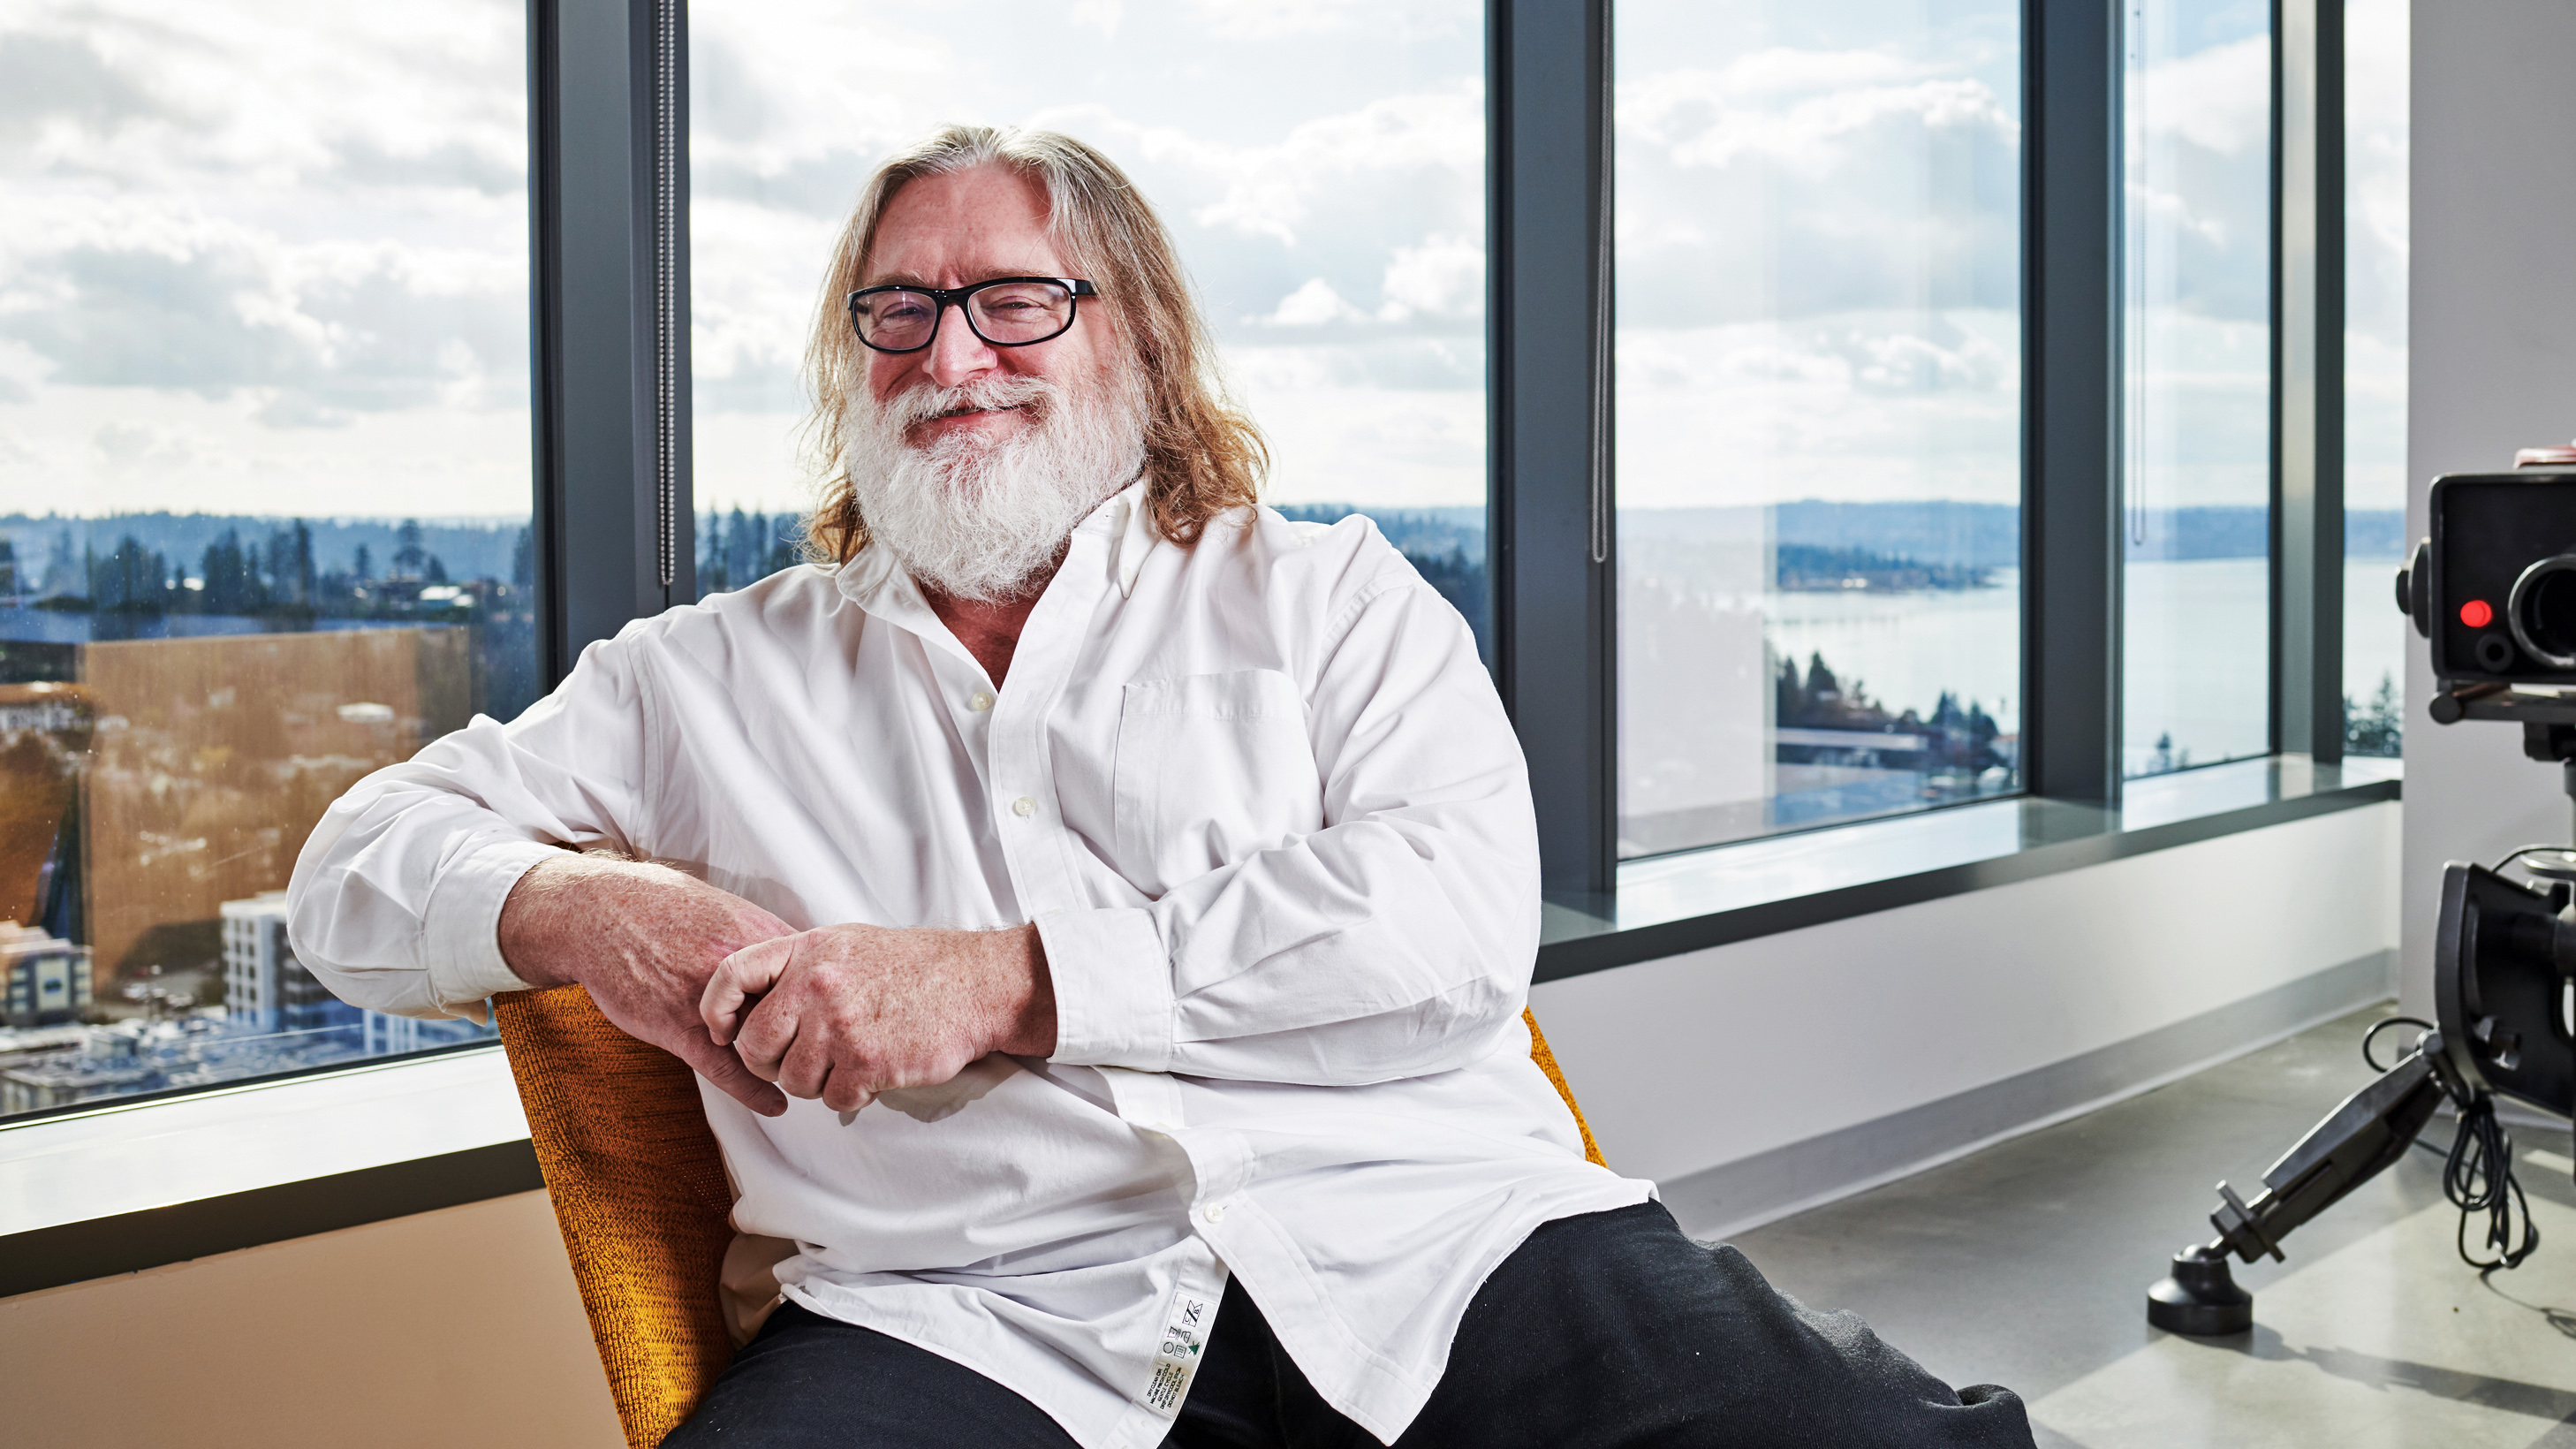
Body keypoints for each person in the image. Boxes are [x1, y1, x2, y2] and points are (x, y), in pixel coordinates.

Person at [286, 125, 2034, 1449]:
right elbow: (353, 870)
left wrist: (996, 979)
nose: (950, 354)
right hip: (963, 1317)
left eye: (1012, 299)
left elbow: (1451, 916)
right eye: (899, 308)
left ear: (1137, 340)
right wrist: (592, 899)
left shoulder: (1330, 594)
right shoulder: (703, 678)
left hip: (1431, 1248)